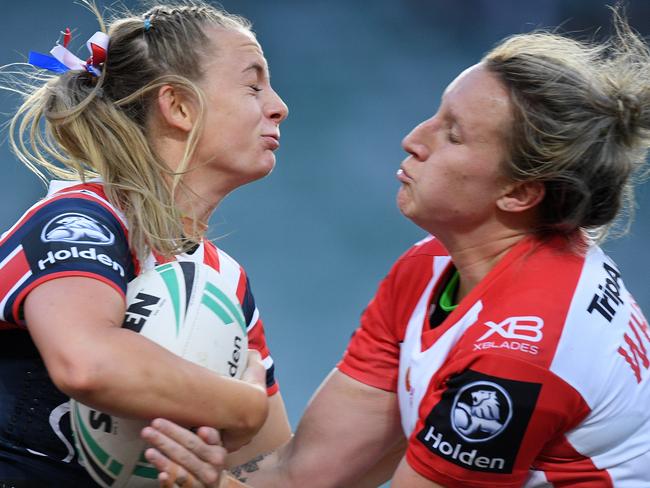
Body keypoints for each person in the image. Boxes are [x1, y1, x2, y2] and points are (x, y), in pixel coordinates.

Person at [142, 8, 650, 488]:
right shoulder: (430, 266)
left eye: (453, 135)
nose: (414, 138)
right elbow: (305, 474)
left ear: (519, 193)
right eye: (436, 114)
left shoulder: (520, 356)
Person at [0, 1, 291, 485]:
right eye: (253, 85)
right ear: (177, 106)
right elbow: (87, 362)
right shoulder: (81, 219)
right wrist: (242, 406)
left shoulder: (227, 282)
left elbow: (276, 474)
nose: (279, 105)